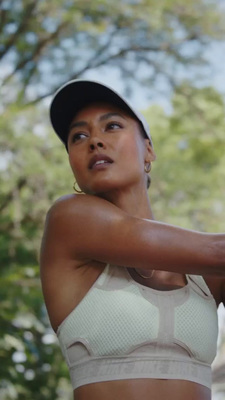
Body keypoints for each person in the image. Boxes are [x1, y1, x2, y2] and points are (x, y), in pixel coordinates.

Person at [40, 79, 225, 400]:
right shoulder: (68, 219)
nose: (95, 141)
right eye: (78, 136)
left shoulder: (205, 277)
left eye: (111, 126)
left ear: (148, 150)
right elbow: (216, 250)